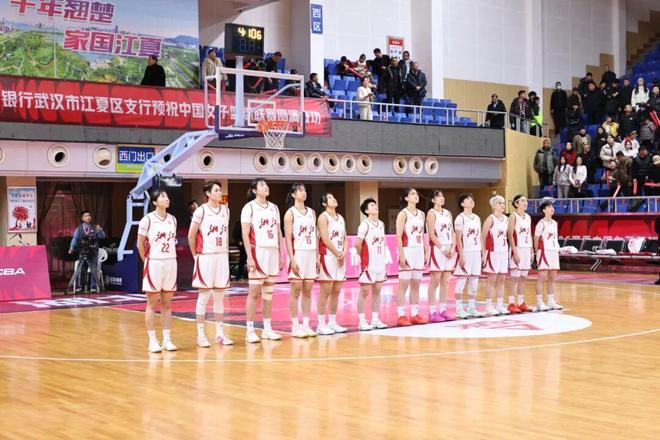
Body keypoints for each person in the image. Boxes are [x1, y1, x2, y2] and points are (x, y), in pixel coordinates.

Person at [188, 181, 234, 348]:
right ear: (208, 193)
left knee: (220, 296)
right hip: (205, 257)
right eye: (216, 190)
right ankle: (201, 335)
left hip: (221, 256)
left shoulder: (226, 210)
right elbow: (191, 236)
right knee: (204, 296)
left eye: (220, 190)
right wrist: (196, 256)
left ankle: (220, 333)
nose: (220, 192)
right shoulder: (201, 211)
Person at [240, 178, 284, 343]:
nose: (266, 187)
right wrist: (249, 257)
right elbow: (245, 234)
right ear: (254, 190)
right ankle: (250, 330)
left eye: (266, 185)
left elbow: (279, 232)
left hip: (272, 251)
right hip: (258, 252)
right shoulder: (249, 207)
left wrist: (281, 254)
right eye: (262, 185)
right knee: (254, 293)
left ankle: (267, 329)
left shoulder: (274, 207)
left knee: (268, 293)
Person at [137, 189, 178, 353]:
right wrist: (147, 261)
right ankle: (152, 340)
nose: (166, 199)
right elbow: (140, 245)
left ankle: (167, 339)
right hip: (154, 262)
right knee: (152, 303)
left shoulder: (173, 219)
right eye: (162, 197)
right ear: (154, 202)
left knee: (167, 304)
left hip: (170, 262)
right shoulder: (147, 220)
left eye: (167, 196)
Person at [284, 183, 318, 338]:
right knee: (296, 290)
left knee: (308, 290)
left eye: (304, 190)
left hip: (311, 254)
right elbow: (288, 239)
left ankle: (306, 324)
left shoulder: (312, 212)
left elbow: (315, 235)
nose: (303, 192)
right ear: (293, 194)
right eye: (300, 190)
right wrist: (292, 259)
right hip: (298, 253)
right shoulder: (290, 213)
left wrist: (317, 256)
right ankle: (295, 325)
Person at [316, 192, 348, 335]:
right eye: (329, 198)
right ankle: (321, 324)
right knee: (326, 291)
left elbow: (345, 238)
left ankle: (332, 322)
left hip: (339, 257)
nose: (333, 199)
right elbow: (325, 239)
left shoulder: (341, 218)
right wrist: (337, 253)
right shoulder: (323, 217)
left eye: (333, 197)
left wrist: (343, 253)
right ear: (324, 204)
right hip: (328, 256)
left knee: (336, 291)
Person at [395, 188, 428, 326]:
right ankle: (401, 315)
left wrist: (425, 251)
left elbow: (422, 234)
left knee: (416, 284)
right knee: (403, 285)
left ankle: (414, 314)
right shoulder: (403, 214)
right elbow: (398, 236)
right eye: (412, 194)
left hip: (419, 251)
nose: (416, 196)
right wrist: (401, 255)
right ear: (406, 198)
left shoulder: (421, 214)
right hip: (407, 250)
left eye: (416, 194)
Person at [355, 198, 388, 331]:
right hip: (369, 263)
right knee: (364, 291)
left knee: (377, 291)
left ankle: (375, 319)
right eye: (372, 205)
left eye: (375, 205)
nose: (375, 207)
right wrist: (363, 258)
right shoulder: (364, 225)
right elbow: (357, 244)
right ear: (367, 210)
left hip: (380, 262)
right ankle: (362, 321)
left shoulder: (381, 224)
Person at [426, 190, 456, 322]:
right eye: (438, 196)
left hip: (449, 249)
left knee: (445, 281)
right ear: (433, 200)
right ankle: (432, 312)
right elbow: (431, 234)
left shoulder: (448, 213)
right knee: (435, 281)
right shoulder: (431, 213)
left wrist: (453, 248)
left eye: (442, 196)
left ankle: (443, 310)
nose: (442, 198)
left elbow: (453, 232)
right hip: (438, 249)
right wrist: (443, 248)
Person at [453, 193, 483, 319]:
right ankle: (458, 308)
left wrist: (482, 252)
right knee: (462, 280)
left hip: (476, 252)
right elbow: (458, 239)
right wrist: (461, 255)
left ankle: (471, 307)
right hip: (466, 252)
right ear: (462, 204)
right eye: (467, 199)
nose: (471, 201)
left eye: (472, 199)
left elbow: (480, 236)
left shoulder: (477, 218)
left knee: (474, 281)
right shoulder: (460, 218)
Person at [481, 195, 510, 316]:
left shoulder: (506, 219)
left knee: (502, 279)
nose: (502, 205)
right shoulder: (490, 219)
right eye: (499, 203)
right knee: (491, 279)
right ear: (493, 206)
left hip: (503, 251)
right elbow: (483, 236)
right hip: (492, 252)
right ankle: (488, 306)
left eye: (503, 203)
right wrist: (483, 253)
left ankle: (499, 305)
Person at [507, 195, 534, 313]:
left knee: (523, 278)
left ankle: (521, 302)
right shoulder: (513, 216)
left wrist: (532, 250)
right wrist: (514, 251)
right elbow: (510, 235)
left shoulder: (528, 217)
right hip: (517, 249)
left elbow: (529, 234)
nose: (525, 202)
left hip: (527, 249)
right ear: (516, 204)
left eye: (526, 201)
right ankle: (511, 303)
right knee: (514, 278)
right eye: (522, 201)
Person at [534, 199, 563, 311]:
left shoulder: (555, 223)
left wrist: (558, 248)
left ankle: (551, 301)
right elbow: (536, 238)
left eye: (552, 206)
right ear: (544, 210)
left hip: (553, 251)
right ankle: (539, 302)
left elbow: (555, 238)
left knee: (552, 277)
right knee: (542, 277)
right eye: (549, 207)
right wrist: (537, 252)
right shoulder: (541, 223)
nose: (552, 208)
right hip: (544, 252)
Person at [68, 210, 105, 293]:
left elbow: (102, 236)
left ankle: (93, 287)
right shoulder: (79, 228)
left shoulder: (95, 227)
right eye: (86, 216)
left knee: (93, 269)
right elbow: (75, 238)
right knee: (81, 269)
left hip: (93, 252)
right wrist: (71, 248)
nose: (88, 217)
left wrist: (100, 230)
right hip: (83, 252)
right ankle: (81, 287)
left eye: (89, 215)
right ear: (82, 218)